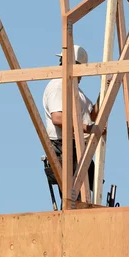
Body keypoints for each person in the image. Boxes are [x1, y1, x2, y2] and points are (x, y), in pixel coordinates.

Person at [42, 44, 100, 194]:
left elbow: (92, 114)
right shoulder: (57, 86)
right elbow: (58, 118)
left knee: (86, 192)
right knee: (74, 196)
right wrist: (87, 128)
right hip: (63, 147)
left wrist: (104, 92)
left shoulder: (75, 90)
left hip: (75, 148)